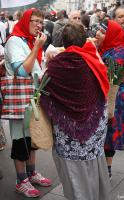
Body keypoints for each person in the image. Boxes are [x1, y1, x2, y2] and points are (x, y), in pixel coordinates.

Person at [41, 22, 111, 200]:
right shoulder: (93, 59)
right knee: (93, 170)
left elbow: (43, 91)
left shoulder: (55, 66)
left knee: (73, 177)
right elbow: (104, 87)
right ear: (83, 39)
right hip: (93, 131)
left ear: (63, 42)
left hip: (68, 132)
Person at [4, 8, 52, 198]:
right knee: (19, 139)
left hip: (32, 97)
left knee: (32, 137)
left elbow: (36, 69)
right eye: (35, 21)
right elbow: (22, 72)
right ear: (25, 21)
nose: (39, 25)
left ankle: (31, 173)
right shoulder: (15, 41)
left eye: (41, 21)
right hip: (20, 99)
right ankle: (20, 180)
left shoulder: (29, 40)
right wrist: (36, 48)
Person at [94, 20, 124, 179]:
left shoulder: (118, 53)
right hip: (106, 96)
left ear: (111, 35)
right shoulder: (106, 48)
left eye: (102, 32)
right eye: (98, 31)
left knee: (109, 134)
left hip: (114, 98)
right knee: (104, 133)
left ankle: (107, 169)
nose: (97, 34)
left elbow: (111, 80)